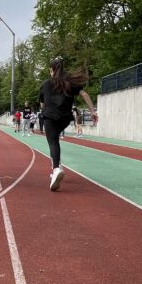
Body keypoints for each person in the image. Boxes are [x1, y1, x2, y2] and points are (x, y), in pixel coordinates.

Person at [39, 58, 97, 191]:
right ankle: (56, 164)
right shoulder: (69, 82)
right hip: (65, 118)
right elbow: (84, 94)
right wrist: (92, 111)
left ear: (51, 70)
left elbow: (42, 104)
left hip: (50, 117)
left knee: (53, 142)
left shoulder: (45, 84)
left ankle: (56, 169)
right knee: (55, 140)